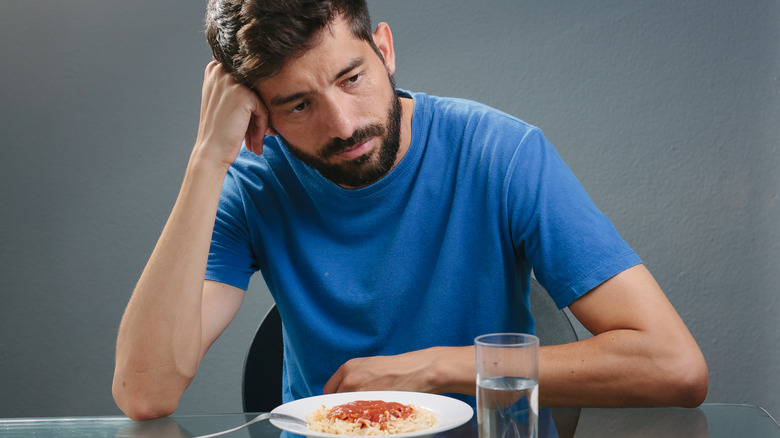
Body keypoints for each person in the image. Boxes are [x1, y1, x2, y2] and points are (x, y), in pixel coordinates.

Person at [112, 0, 708, 421]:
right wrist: (206, 160)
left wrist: (431, 368)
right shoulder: (252, 185)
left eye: (351, 77)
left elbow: (674, 367)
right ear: (257, 115)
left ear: (386, 48)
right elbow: (145, 394)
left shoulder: (502, 153)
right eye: (298, 106)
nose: (344, 125)